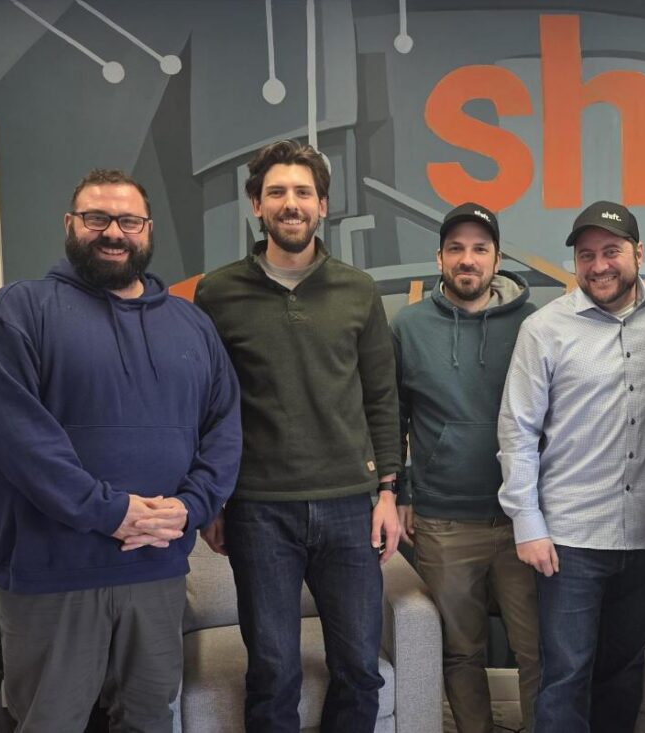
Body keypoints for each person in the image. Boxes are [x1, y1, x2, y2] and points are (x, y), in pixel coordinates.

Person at [0, 169, 242, 732]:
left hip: (156, 568)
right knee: (50, 722)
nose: (113, 232)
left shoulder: (191, 324)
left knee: (149, 719)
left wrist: (192, 506)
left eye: (129, 221)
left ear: (148, 230)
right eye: (97, 218)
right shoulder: (18, 312)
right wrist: (111, 511)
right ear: (71, 224)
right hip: (52, 576)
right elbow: (17, 439)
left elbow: (224, 425)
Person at [193, 139, 402, 733]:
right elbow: (206, 405)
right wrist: (213, 499)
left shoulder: (358, 290)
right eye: (277, 192)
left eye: (304, 192)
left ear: (323, 205)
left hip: (349, 507)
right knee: (273, 672)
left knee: (359, 669)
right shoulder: (217, 293)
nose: (292, 203)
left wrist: (388, 492)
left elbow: (381, 397)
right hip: (258, 510)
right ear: (256, 205)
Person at [497, 201, 645, 733]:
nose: (598, 265)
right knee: (565, 677)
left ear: (639, 253)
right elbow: (517, 429)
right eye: (586, 255)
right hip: (569, 542)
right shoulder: (543, 328)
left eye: (611, 251)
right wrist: (527, 523)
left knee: (622, 674)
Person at [393, 202, 540, 733]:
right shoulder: (408, 326)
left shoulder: (534, 325)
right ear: (439, 258)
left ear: (497, 259)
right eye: (455, 248)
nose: (467, 259)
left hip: (524, 521)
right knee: (461, 651)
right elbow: (392, 415)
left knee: (538, 651)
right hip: (444, 521)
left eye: (480, 248)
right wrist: (401, 492)